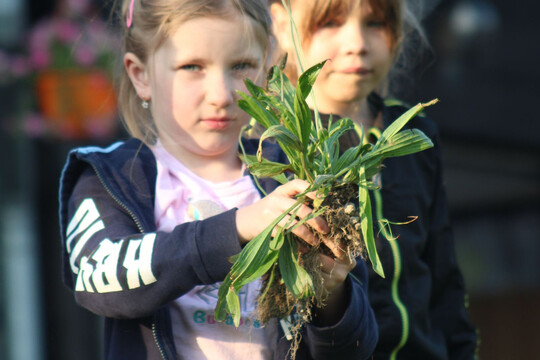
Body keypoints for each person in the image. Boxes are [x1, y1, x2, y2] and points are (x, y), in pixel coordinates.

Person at [58, 0, 379, 359]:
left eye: (241, 66)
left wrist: (330, 293)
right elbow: (101, 281)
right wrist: (237, 227)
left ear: (267, 68)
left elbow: (354, 348)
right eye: (192, 66)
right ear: (140, 75)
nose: (221, 96)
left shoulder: (298, 174)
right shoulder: (111, 178)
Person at [269, 0, 479, 359]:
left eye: (375, 22)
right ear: (279, 22)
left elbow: (445, 282)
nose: (357, 43)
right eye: (330, 22)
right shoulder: (270, 148)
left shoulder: (416, 136)